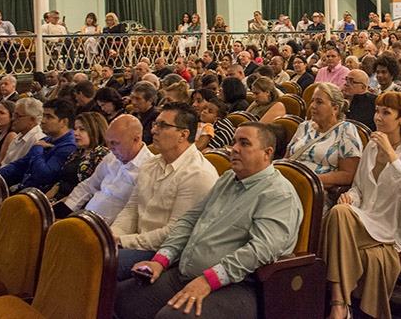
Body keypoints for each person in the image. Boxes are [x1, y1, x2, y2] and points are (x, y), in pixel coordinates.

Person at [114, 122, 302, 319]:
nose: (235, 149)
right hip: (187, 273)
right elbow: (189, 221)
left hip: (239, 285)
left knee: (172, 317)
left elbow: (260, 250)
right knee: (120, 299)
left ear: (267, 153)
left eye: (244, 143)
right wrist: (161, 260)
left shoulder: (278, 194)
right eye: (234, 142)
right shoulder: (228, 179)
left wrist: (209, 279)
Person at [321, 92, 401, 319]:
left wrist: (391, 155)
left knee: (336, 217)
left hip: (388, 225)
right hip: (363, 218)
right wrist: (351, 198)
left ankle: (339, 304)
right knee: (340, 210)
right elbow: (358, 188)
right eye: (377, 111)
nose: (378, 117)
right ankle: (340, 305)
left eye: (386, 112)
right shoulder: (371, 146)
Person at [111, 103, 219, 280]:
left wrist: (123, 242)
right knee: (87, 249)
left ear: (183, 135)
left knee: (100, 262)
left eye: (162, 125)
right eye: (155, 124)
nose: (154, 130)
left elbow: (175, 233)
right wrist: (113, 235)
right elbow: (131, 209)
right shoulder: (151, 163)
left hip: (164, 253)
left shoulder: (198, 174)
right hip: (136, 242)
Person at [54, 115, 153, 223]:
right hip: (85, 218)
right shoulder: (111, 157)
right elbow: (89, 186)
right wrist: (64, 211)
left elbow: (133, 214)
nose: (109, 147)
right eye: (109, 142)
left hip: (108, 230)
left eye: (115, 143)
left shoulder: (149, 168)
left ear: (135, 139)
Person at [286, 83, 362, 210]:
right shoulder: (304, 127)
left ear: (335, 108)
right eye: (312, 101)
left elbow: (348, 174)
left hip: (314, 192)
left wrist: (306, 180)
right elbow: (287, 159)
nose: (313, 106)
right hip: (288, 185)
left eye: (319, 102)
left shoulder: (346, 130)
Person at [0, 99, 78, 192]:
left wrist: (37, 149)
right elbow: (20, 166)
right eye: (43, 116)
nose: (43, 121)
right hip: (23, 190)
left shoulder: (69, 146)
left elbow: (43, 176)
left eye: (49, 117)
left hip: (40, 197)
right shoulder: (45, 140)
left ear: (63, 122)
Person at [47, 111, 109, 201]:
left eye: (82, 129)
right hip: (57, 198)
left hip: (76, 204)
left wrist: (60, 205)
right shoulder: (76, 153)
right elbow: (61, 182)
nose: (75, 133)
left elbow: (92, 191)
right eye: (75, 129)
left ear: (95, 130)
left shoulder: (101, 154)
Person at [0, 97, 45, 166]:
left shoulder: (36, 140)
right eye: (14, 115)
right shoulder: (19, 135)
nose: (13, 119)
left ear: (32, 120)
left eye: (18, 116)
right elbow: (4, 163)